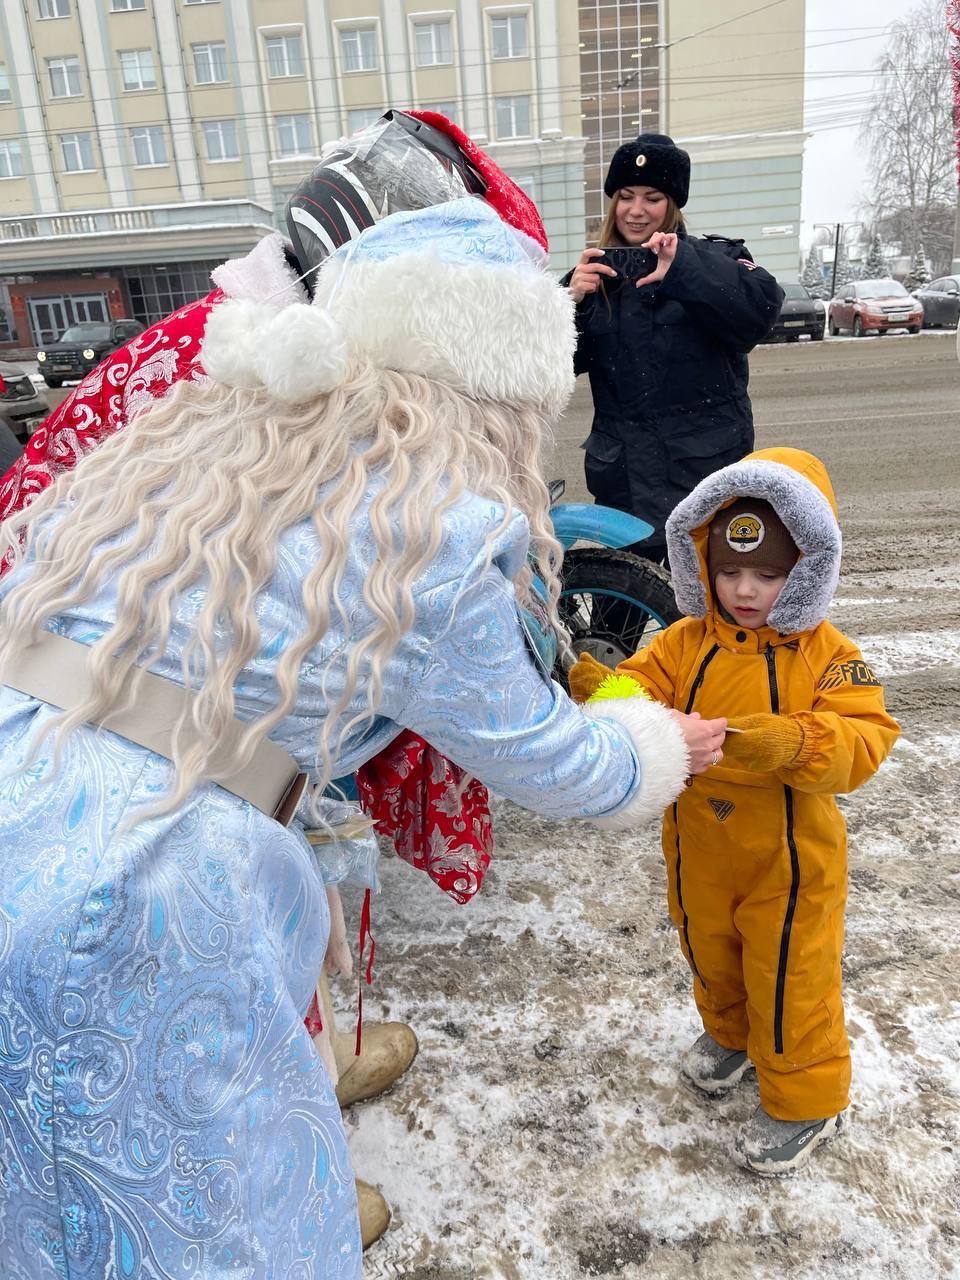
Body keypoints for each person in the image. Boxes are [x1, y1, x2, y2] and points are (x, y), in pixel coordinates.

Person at [0, 197, 727, 1278]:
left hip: (23, 783)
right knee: (189, 1217)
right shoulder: (434, 523)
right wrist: (654, 742)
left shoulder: (194, 444)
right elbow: (548, 756)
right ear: (505, 385)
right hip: (143, 890)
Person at [0, 108, 550, 1250]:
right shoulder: (246, 367)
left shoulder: (247, 338)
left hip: (90, 743)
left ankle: (305, 1089)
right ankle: (275, 1158)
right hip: (145, 784)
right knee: (200, 1024)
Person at [569, 446, 900, 1175]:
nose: (745, 590)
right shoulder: (686, 643)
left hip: (789, 864)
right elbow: (636, 691)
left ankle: (810, 1099)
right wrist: (600, 688)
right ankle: (733, 1034)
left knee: (791, 978)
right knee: (710, 949)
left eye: (768, 574)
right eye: (730, 571)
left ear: (807, 568)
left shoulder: (827, 654)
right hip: (698, 850)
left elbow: (867, 738)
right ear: (703, 566)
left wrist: (792, 741)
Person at [565, 133, 784, 563]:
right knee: (619, 610)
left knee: (707, 609)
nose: (636, 210)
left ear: (674, 204)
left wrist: (681, 267)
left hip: (703, 475)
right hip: (623, 480)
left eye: (653, 197)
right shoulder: (593, 274)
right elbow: (550, 365)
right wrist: (566, 303)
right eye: (626, 196)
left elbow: (757, 315)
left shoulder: (714, 258)